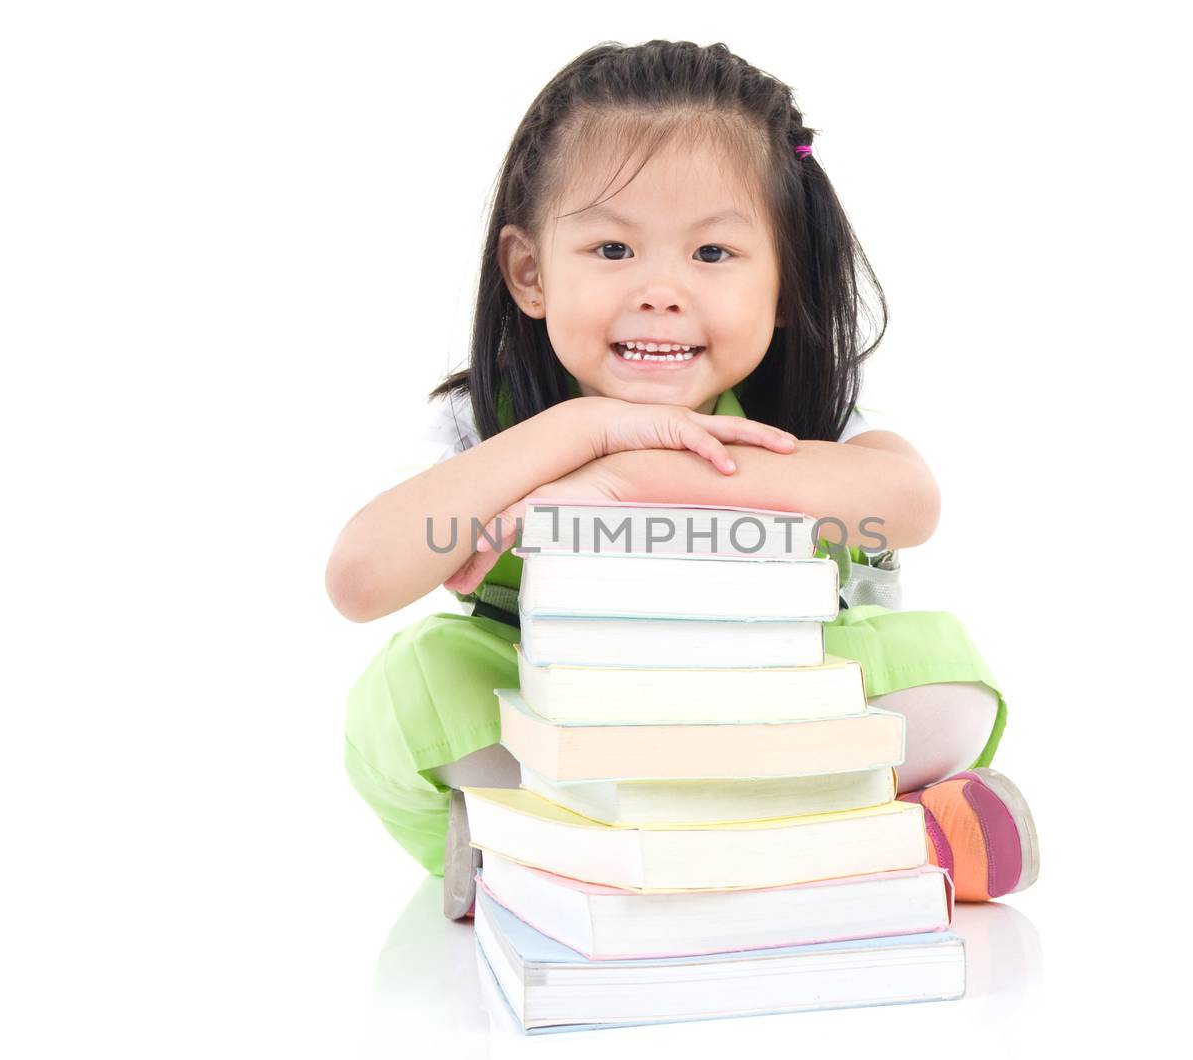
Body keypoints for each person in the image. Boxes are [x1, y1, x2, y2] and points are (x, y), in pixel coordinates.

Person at [326, 40, 1038, 920]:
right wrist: (579, 429)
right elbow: (360, 580)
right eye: (614, 247)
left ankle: (563, 852)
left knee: (947, 671)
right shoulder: (495, 421)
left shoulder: (800, 415)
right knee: (411, 688)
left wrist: (633, 474)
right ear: (530, 272)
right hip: (568, 731)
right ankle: (850, 842)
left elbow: (911, 505)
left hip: (769, 717)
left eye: (712, 254)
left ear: (784, 280)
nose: (661, 290)